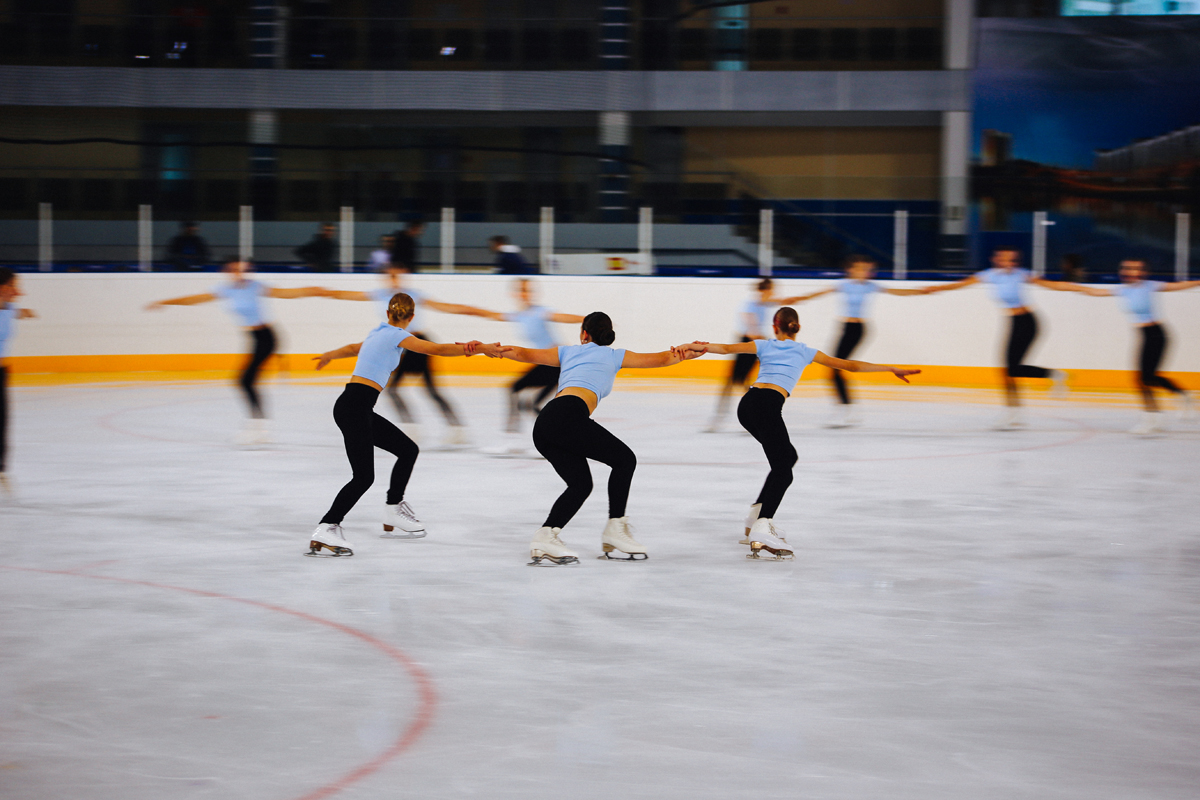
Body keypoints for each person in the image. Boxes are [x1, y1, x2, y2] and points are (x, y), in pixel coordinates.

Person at [677, 307, 919, 560]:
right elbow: (850, 365)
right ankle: (762, 526)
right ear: (798, 327)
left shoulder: (764, 344)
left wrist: (692, 346)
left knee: (787, 458)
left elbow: (726, 349)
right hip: (767, 406)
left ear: (775, 327)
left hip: (747, 406)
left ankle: (754, 519)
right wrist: (890, 368)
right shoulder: (806, 351)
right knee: (784, 468)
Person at [492, 312, 703, 565]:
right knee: (625, 460)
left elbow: (520, 353)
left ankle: (545, 535)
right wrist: (687, 351)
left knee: (581, 485)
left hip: (545, 424)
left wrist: (485, 348)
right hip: (568, 416)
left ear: (584, 333)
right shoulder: (614, 355)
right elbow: (662, 358)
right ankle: (615, 529)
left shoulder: (567, 352)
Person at [306, 292, 496, 557]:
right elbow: (437, 349)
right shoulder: (398, 336)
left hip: (355, 406)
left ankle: (393, 508)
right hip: (355, 408)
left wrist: (329, 355)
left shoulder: (378, 333)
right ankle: (327, 526)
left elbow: (351, 348)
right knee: (363, 477)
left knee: (407, 450)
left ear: (387, 313)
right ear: (412, 317)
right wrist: (479, 348)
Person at [147, 258, 327, 443]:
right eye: (234, 269)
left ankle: (258, 428)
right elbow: (193, 300)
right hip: (256, 338)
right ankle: (258, 427)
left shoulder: (255, 286)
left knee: (244, 381)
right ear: (227, 272)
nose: (239, 272)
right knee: (246, 381)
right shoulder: (224, 290)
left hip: (267, 337)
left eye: (242, 269)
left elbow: (287, 294)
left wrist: (311, 290)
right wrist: (165, 301)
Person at [320, 267, 477, 446]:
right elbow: (347, 295)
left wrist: (471, 310)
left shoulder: (412, 295)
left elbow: (445, 307)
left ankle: (450, 429)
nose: (394, 280)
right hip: (399, 344)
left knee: (423, 390)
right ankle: (427, 428)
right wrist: (324, 292)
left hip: (417, 343)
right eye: (390, 276)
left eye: (397, 276)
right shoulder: (380, 294)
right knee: (403, 390)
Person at [923, 246, 1072, 429]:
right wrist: (936, 288)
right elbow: (960, 284)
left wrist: (1077, 288)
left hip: (1028, 323)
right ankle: (1014, 413)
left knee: (1012, 369)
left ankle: (1051, 379)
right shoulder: (990, 275)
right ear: (996, 259)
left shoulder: (1022, 274)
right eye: (1004, 259)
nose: (1009, 263)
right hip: (1014, 323)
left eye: (1012, 260)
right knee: (1008, 371)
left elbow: (1051, 285)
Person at [786, 255, 928, 427]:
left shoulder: (870, 286)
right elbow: (818, 293)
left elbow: (898, 292)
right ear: (851, 270)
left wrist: (921, 291)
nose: (865, 272)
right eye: (861, 268)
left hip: (858, 330)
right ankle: (846, 408)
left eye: (867, 269)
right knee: (835, 369)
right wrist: (798, 299)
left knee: (835, 369)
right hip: (846, 328)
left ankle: (846, 409)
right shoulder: (843, 285)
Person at [1060, 259, 1199, 434]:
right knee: (1142, 380)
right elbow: (1094, 291)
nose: (1130, 271)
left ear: (1143, 272)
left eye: (1135, 268)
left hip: (1157, 335)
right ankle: (1155, 417)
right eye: (1127, 268)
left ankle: (1177, 398)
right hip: (1145, 336)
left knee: (1147, 378)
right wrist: (1074, 287)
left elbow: (1180, 286)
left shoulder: (1150, 286)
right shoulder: (1123, 290)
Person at [461, 278, 584, 435]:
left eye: (527, 290)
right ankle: (540, 431)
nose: (524, 294)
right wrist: (466, 310)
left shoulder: (540, 312)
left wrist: (587, 320)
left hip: (557, 364)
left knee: (525, 398)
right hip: (547, 363)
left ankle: (530, 431)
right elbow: (490, 315)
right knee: (525, 399)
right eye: (521, 290)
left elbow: (562, 317)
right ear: (515, 293)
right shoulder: (518, 315)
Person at [705, 277, 829, 432]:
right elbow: (751, 330)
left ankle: (733, 415)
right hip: (748, 343)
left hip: (754, 345)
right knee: (735, 381)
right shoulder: (751, 305)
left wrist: (817, 293)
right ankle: (729, 415)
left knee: (736, 381)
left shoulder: (765, 303)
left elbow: (791, 300)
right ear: (762, 291)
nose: (771, 294)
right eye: (769, 291)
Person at [0, 267, 37, 492]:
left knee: (2, 421)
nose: (18, 291)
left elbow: (16, 311)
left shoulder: (8, 307)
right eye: (13, 286)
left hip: (2, 372)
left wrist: (26, 312)